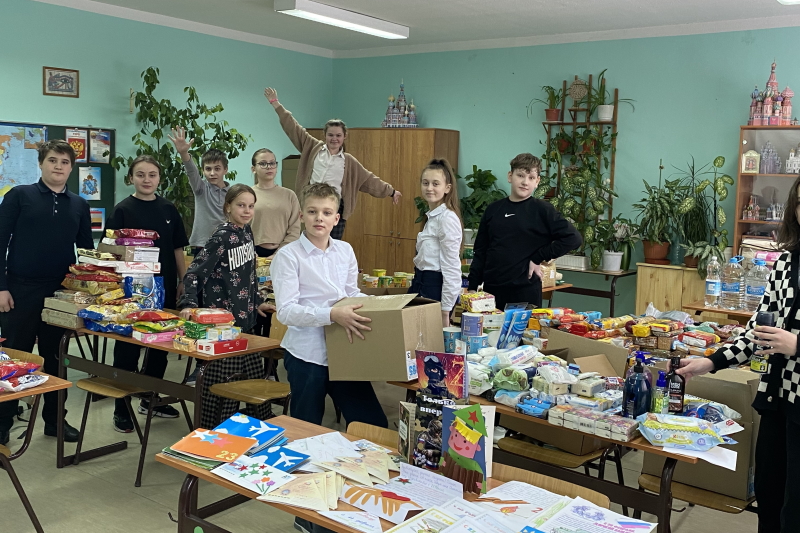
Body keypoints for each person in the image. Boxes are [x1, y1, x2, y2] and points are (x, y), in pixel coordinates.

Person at [673, 176, 800, 533]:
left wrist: (796, 346)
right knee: (770, 500)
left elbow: (788, 341)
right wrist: (710, 362)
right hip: (776, 400)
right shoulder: (785, 263)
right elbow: (757, 332)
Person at [271, 183, 388, 533]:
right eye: (312, 212)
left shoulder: (345, 250)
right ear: (301, 215)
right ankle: (304, 513)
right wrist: (331, 314)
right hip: (306, 354)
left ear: (336, 218)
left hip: (345, 352)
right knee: (307, 434)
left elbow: (350, 293)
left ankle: (357, 500)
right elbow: (286, 311)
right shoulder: (288, 256)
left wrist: (377, 306)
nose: (319, 218)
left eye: (326, 213)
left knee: (373, 425)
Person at [0, 140, 93, 445]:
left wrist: (91, 292)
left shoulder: (79, 205)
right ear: (41, 163)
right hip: (20, 290)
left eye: (65, 162)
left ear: (71, 168)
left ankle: (55, 421)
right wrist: (1, 287)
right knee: (16, 359)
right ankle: (2, 424)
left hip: (60, 294)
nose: (58, 166)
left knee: (56, 358)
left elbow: (86, 254)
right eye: (53, 160)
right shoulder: (19, 196)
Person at [178, 184, 272, 428]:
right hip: (222, 325)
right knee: (224, 385)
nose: (247, 210)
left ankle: (261, 430)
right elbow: (194, 272)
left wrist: (257, 302)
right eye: (241, 205)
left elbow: (248, 275)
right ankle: (215, 431)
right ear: (228, 207)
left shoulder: (247, 232)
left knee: (253, 383)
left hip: (246, 322)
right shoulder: (221, 236)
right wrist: (188, 303)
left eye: (251, 206)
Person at [107, 155, 189, 433]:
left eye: (152, 175)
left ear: (159, 179)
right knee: (127, 349)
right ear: (131, 177)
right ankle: (121, 408)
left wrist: (183, 280)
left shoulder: (168, 209)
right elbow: (111, 252)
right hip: (131, 292)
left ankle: (150, 399)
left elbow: (178, 248)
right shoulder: (122, 210)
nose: (146, 179)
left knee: (160, 346)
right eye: (140, 174)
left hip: (163, 288)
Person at [264, 87, 402, 240]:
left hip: (335, 208)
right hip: (311, 203)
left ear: (344, 136)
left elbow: (370, 180)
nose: (334, 139)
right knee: (311, 243)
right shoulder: (312, 147)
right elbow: (293, 127)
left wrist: (391, 192)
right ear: (324, 135)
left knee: (332, 247)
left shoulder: (349, 162)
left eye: (338, 135)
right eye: (330, 135)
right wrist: (276, 103)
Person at [467, 153, 582, 310]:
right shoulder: (493, 210)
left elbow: (573, 238)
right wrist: (472, 287)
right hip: (491, 291)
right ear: (510, 176)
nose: (525, 182)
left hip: (525, 292)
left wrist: (538, 258)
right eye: (520, 175)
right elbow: (481, 251)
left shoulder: (542, 210)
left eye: (531, 178)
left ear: (537, 182)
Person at [250, 148, 301, 338]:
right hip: (253, 256)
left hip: (282, 255)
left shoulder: (289, 195)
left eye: (272, 163)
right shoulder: (248, 195)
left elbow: (295, 229)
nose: (269, 167)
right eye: (263, 163)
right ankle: (254, 351)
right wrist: (249, 252)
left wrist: (278, 253)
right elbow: (240, 226)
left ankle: (272, 352)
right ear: (254, 168)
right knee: (255, 304)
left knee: (276, 304)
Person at [409, 158, 463, 328]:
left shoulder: (447, 218)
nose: (429, 188)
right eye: (425, 183)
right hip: (419, 282)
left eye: (435, 184)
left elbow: (451, 267)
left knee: (431, 340)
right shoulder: (431, 217)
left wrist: (445, 310)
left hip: (434, 287)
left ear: (447, 188)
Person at [168, 127, 230, 255]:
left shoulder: (233, 193)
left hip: (226, 244)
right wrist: (183, 153)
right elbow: (191, 171)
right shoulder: (200, 188)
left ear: (225, 170)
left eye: (217, 168)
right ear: (203, 171)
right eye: (208, 169)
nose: (212, 173)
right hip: (202, 245)